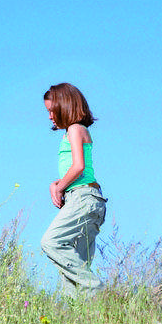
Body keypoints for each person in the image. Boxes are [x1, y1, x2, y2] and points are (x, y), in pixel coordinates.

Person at [40, 83, 107, 299]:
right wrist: (57, 184)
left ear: (65, 106)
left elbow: (78, 166)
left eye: (52, 110)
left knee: (51, 242)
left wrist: (59, 186)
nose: (50, 116)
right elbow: (79, 169)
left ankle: (97, 289)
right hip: (86, 199)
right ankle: (83, 318)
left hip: (83, 198)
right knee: (72, 272)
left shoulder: (75, 129)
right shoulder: (74, 131)